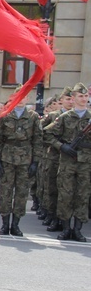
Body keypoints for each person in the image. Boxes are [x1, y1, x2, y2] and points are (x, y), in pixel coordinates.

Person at [44, 82, 91, 242]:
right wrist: (62, 146)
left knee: (82, 196)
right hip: (67, 162)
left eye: (85, 96)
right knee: (65, 195)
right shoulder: (64, 117)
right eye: (80, 96)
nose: (83, 99)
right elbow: (47, 134)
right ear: (74, 98)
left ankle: (77, 230)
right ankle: (65, 228)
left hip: (86, 163)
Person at [0, 86, 42, 236]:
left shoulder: (33, 117)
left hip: (25, 160)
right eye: (17, 96)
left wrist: (35, 162)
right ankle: (5, 224)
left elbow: (38, 140)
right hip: (7, 158)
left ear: (27, 98)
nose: (20, 100)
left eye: (23, 96)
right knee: (6, 192)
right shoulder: (5, 115)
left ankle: (16, 224)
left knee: (21, 193)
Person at [40, 87, 73, 231]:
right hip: (54, 157)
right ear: (61, 101)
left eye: (72, 98)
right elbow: (42, 133)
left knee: (68, 191)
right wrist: (58, 145)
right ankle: (53, 217)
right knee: (52, 189)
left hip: (72, 160)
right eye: (67, 99)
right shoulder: (54, 116)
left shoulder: (79, 116)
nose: (70, 102)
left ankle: (65, 220)